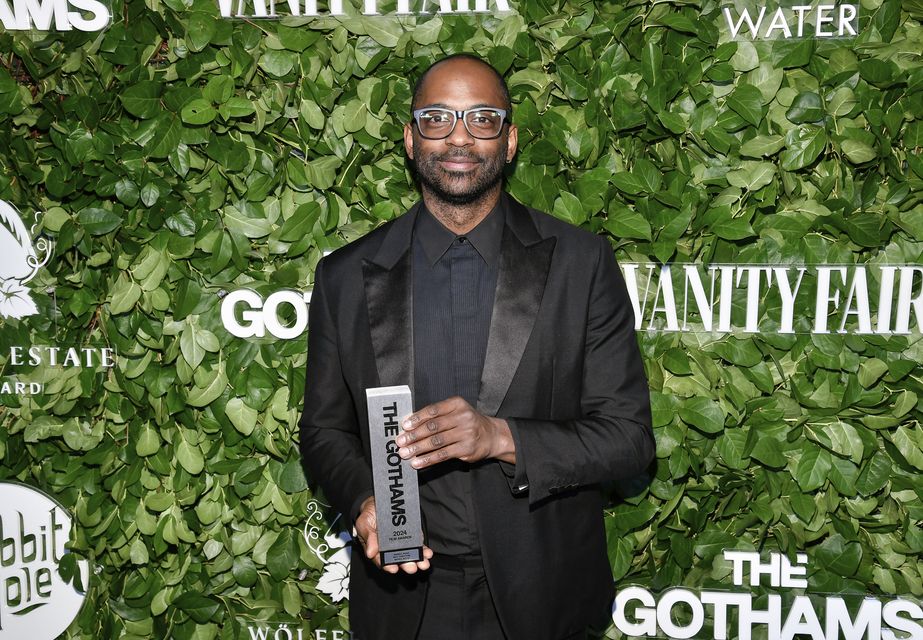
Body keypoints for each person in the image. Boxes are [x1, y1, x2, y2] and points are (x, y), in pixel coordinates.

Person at [299, 53, 654, 640]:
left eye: (482, 118)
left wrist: (501, 437)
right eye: (437, 117)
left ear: (509, 141)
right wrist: (366, 501)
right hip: (403, 600)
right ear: (411, 140)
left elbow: (629, 438)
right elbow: (323, 429)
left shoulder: (581, 263)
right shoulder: (345, 275)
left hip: (542, 598)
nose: (459, 136)